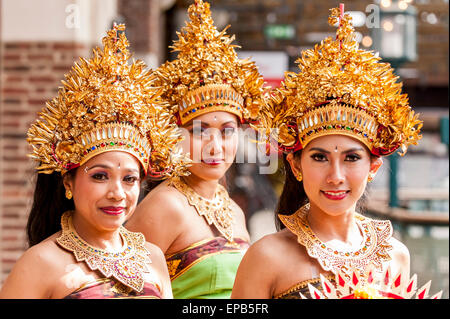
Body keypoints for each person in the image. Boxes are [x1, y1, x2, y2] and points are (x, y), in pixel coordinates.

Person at [231, 6, 423, 299]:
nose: (335, 176)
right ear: (296, 166)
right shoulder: (266, 257)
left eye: (352, 158)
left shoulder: (395, 257)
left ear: (374, 166)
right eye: (319, 157)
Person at [0, 24, 188, 299]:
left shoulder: (153, 257)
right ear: (68, 182)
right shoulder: (40, 264)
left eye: (130, 179)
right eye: (100, 176)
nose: (117, 193)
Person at [125, 0, 265, 299]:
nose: (215, 146)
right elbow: (123, 289)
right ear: (173, 135)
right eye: (198, 132)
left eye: (227, 131)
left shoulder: (230, 207)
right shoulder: (165, 206)